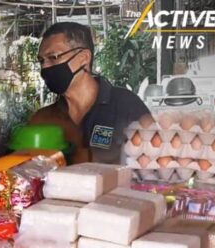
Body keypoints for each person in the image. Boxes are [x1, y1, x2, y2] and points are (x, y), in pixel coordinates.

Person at [29, 22, 153, 164]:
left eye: (53, 57)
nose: (44, 67)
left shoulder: (127, 106)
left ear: (84, 58)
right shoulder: (42, 119)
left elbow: (154, 164)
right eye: (41, 61)